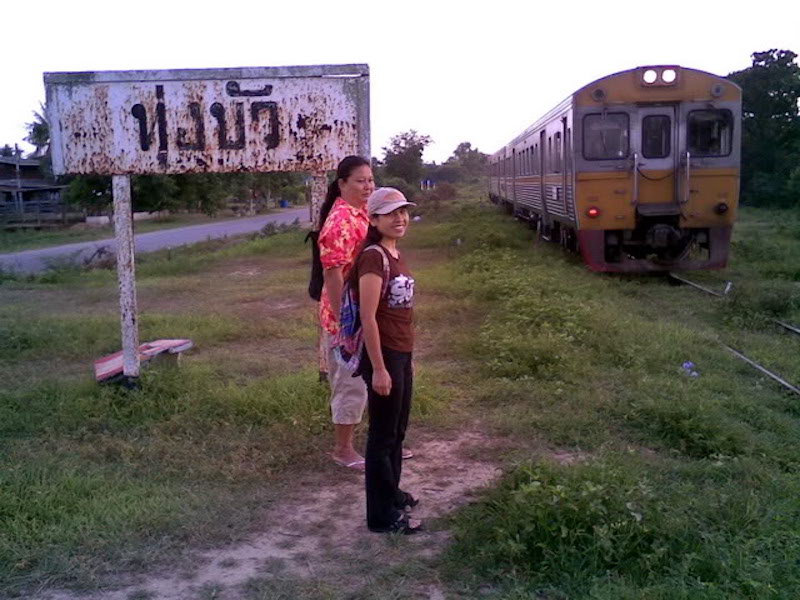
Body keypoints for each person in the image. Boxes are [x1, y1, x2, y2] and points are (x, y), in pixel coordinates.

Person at [353, 188, 422, 534]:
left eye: (403, 211)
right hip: (383, 356)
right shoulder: (372, 257)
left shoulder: (396, 253)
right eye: (391, 213)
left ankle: (392, 494)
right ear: (374, 219)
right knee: (382, 436)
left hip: (401, 353)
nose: (400, 218)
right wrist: (379, 368)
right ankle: (381, 517)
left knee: (397, 432)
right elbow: (368, 318)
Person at [318, 156, 374, 470]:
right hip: (347, 318)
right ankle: (343, 449)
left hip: (368, 313)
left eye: (370, 180)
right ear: (342, 184)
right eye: (360, 181)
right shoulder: (339, 220)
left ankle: (381, 440)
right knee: (350, 382)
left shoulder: (362, 213)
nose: (367, 186)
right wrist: (344, 322)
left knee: (376, 376)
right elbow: (332, 274)